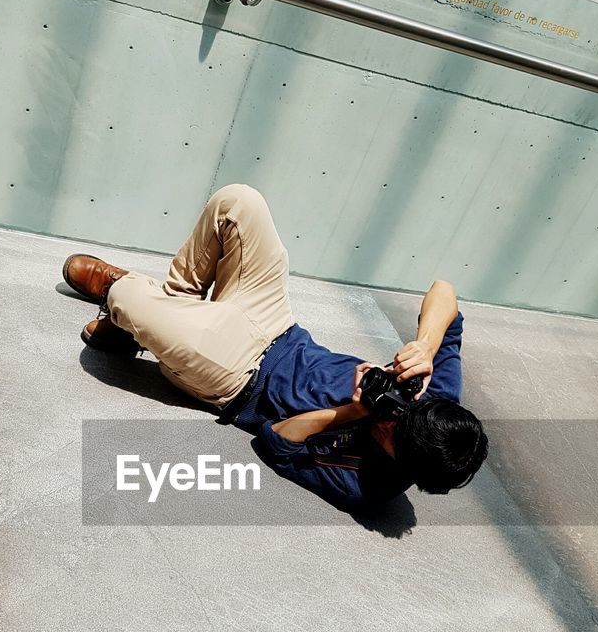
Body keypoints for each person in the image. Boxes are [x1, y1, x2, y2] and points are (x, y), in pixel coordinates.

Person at [62, 184, 488, 512]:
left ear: (406, 469)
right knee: (238, 202)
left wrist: (353, 413)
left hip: (238, 377)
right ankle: (156, 318)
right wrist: (427, 346)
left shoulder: (368, 486)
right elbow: (445, 292)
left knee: (128, 300)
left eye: (391, 434)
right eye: (403, 414)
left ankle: (134, 311)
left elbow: (275, 442)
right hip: (279, 326)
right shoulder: (435, 399)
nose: (390, 418)